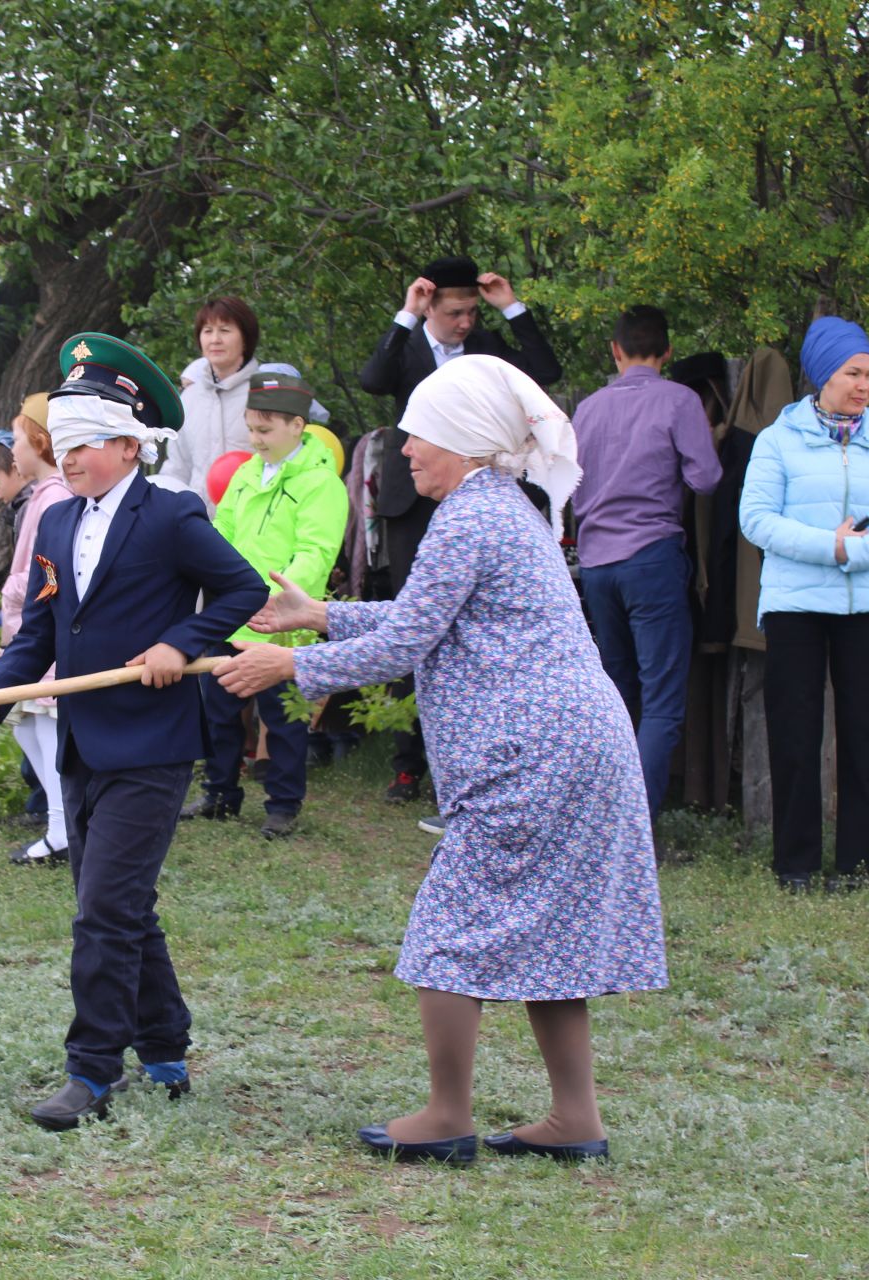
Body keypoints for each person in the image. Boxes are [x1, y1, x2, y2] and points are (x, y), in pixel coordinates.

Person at [216, 354, 666, 1166]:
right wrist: (318, 614)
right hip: (578, 742)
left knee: (448, 930)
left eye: (418, 435)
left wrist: (292, 664)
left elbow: (408, 640)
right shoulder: (501, 509)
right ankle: (575, 1119)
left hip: (533, 752)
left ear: (461, 439)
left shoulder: (470, 516)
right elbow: (426, 615)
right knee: (551, 936)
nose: (404, 452)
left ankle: (447, 1115)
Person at [0, 333, 266, 1131]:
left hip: (153, 746)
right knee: (124, 908)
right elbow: (40, 639)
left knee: (102, 914)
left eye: (86, 443)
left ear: (130, 445)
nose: (72, 457)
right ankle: (164, 1048)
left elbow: (242, 589)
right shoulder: (58, 526)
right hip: (82, 744)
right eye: (63, 445)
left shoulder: (172, 516)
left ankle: (91, 1071)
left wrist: (179, 644)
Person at [357, 256, 562, 820]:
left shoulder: (488, 346)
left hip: (472, 488)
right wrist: (405, 316)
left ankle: (468, 758)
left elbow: (546, 371)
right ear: (430, 305)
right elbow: (373, 381)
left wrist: (511, 307)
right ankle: (407, 762)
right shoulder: (410, 346)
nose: (465, 322)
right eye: (454, 312)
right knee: (411, 618)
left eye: (472, 311)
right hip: (412, 498)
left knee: (464, 625)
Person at [739, 316, 869, 892]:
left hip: (865, 605)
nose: (864, 385)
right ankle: (796, 865)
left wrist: (858, 554)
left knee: (868, 732)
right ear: (822, 375)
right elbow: (757, 520)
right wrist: (833, 545)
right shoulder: (777, 440)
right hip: (795, 606)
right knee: (795, 731)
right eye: (852, 373)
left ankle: (868, 865)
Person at [570, 306, 721, 828]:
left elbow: (566, 486)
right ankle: (633, 828)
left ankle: (599, 820)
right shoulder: (679, 400)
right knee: (660, 701)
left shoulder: (586, 410)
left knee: (616, 693)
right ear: (668, 353)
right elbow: (705, 478)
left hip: (595, 567)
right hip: (651, 557)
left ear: (615, 351)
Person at [190, 369, 348, 838]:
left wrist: (281, 601)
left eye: (265, 430)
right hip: (231, 610)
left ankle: (283, 803)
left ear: (297, 426)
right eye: (251, 428)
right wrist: (210, 578)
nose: (254, 439)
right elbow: (223, 534)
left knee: (281, 716)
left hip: (283, 617)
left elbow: (316, 552)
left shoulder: (323, 484)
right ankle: (219, 792)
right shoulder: (243, 473)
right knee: (215, 706)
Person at [0, 394, 76, 864]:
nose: (12, 451)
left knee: (45, 732)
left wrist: (11, 587)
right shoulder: (43, 496)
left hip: (44, 640)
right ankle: (63, 823)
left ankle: (62, 830)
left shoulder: (55, 497)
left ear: (42, 443)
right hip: (26, 634)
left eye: (18, 440)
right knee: (27, 729)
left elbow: (49, 573)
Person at [161, 297, 260, 508]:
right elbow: (177, 467)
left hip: (254, 527)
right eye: (207, 331)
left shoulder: (264, 394)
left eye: (225, 330)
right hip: (199, 525)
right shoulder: (188, 399)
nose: (215, 339)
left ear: (245, 339)